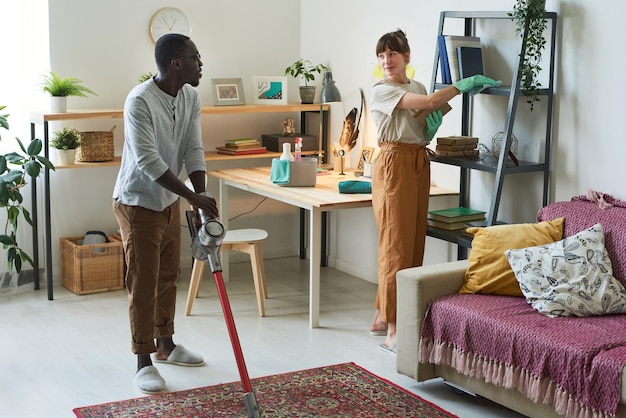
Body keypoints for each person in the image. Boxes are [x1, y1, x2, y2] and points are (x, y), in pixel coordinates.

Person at [369, 29, 500, 352]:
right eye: (382, 56)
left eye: (393, 54)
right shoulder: (381, 90)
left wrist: (433, 120)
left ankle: (380, 317)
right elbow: (429, 103)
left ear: (407, 56)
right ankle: (394, 330)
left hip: (417, 160)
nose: (387, 61)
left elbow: (426, 111)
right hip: (393, 162)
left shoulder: (416, 86)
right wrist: (461, 86)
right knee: (395, 245)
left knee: (413, 241)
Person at [112, 33, 219, 393]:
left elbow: (193, 147)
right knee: (143, 280)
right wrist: (192, 196)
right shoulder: (139, 101)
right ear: (177, 63)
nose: (200, 63)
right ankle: (142, 359)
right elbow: (147, 161)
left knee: (168, 274)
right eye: (195, 57)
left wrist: (200, 198)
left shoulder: (189, 96)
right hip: (138, 201)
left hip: (169, 200)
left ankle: (166, 345)